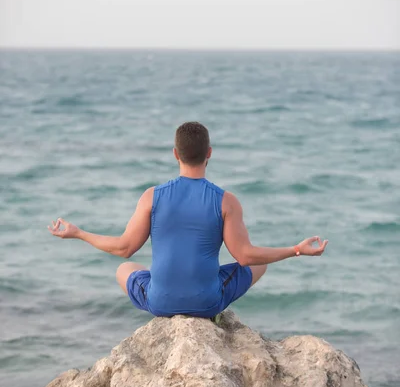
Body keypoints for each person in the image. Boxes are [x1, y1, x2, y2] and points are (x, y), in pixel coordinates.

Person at [48, 121, 328, 318]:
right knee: (260, 264)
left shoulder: (151, 196)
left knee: (126, 268)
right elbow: (245, 256)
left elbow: (123, 248)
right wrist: (296, 250)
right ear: (209, 153)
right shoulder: (225, 200)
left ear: (175, 154)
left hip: (159, 303)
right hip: (206, 304)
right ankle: (207, 310)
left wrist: (79, 233)